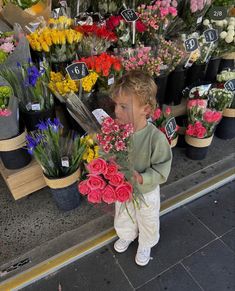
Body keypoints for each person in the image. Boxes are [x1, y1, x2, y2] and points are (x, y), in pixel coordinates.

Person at [110, 70, 172, 266]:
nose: (116, 111)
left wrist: (143, 178)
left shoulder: (156, 138)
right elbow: (111, 154)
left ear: (145, 109)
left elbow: (163, 169)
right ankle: (127, 234)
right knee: (123, 212)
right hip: (123, 188)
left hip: (146, 191)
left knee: (147, 218)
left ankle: (146, 243)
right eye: (116, 105)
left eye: (123, 107)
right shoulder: (117, 132)